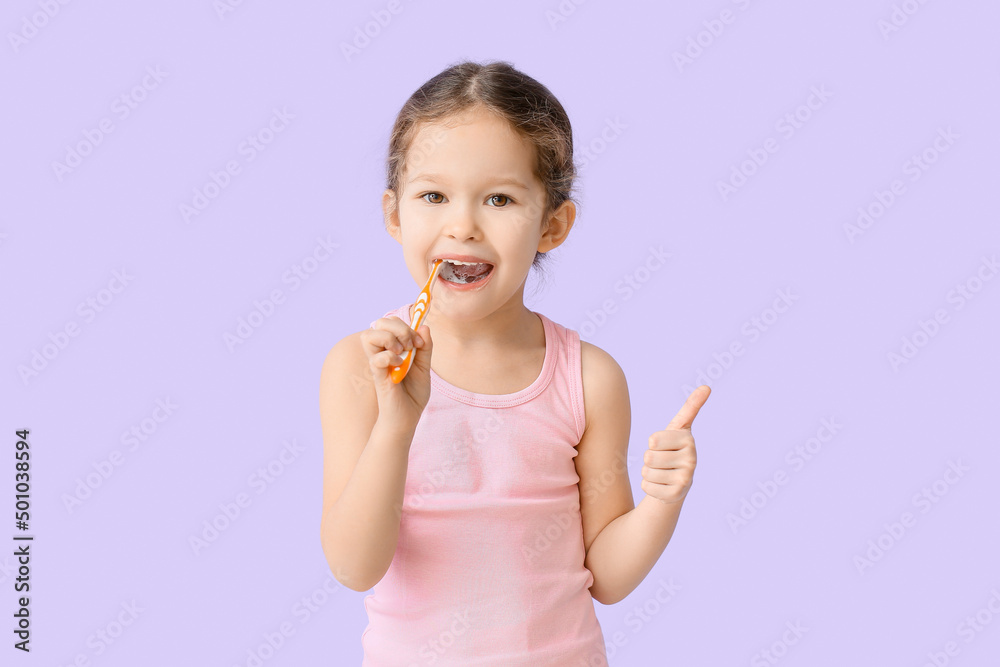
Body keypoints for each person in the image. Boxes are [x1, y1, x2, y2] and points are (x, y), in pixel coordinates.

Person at [319, 59, 710, 666]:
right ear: (395, 215)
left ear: (552, 226)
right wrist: (397, 424)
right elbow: (353, 566)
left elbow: (606, 576)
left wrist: (662, 502)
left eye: (499, 198)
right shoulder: (360, 367)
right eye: (433, 196)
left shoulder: (589, 379)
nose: (463, 226)